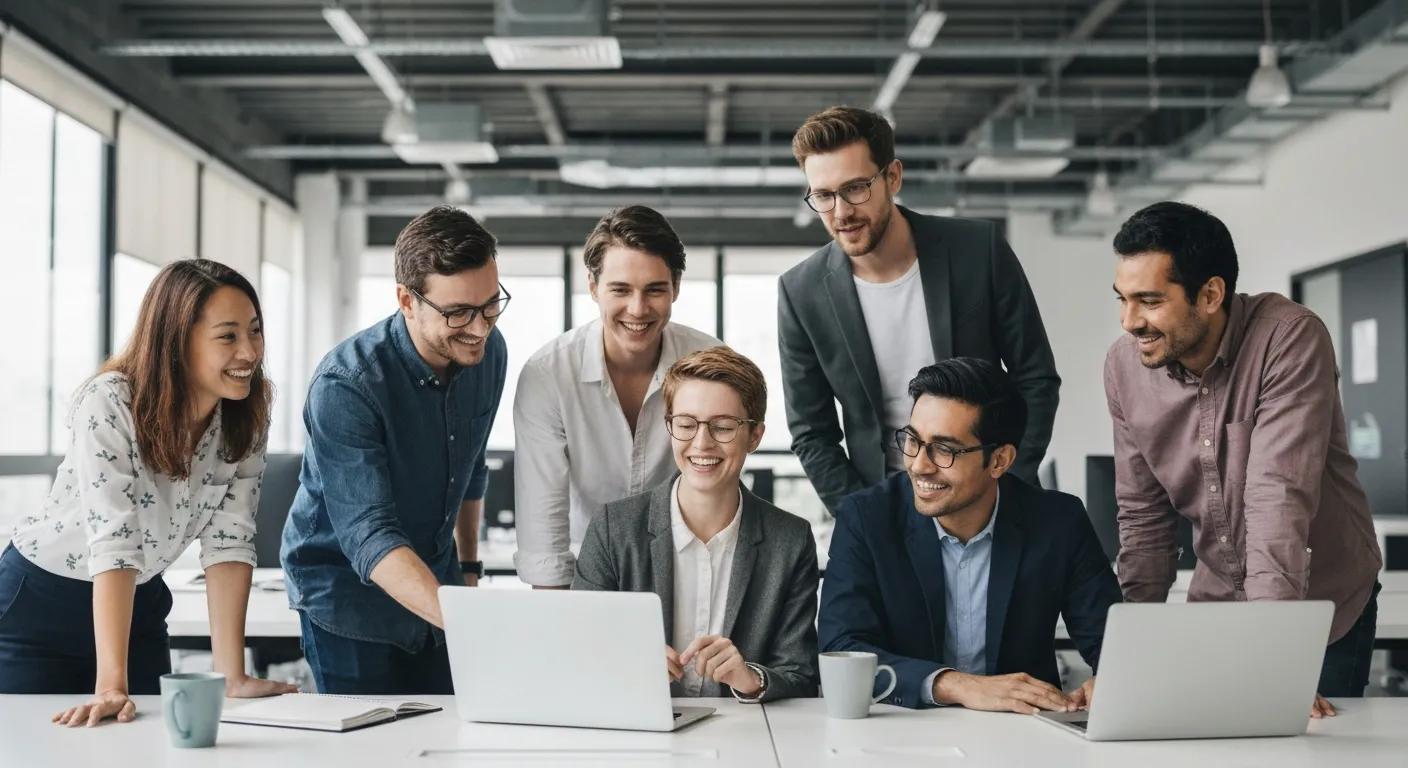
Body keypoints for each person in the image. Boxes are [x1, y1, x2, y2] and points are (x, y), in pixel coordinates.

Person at [1104, 201, 1383, 718]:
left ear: (1210, 294)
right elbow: (1142, 517)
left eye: (1149, 301)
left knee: (1319, 752)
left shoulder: (1288, 336)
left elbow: (1277, 499)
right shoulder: (1124, 368)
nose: (1129, 322)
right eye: (1121, 299)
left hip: (1317, 609)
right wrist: (1126, 656)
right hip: (1217, 608)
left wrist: (1274, 660)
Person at [0, 259, 296, 724]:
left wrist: (231, 673)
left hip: (137, 605)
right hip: (40, 608)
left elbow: (230, 540)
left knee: (146, 747)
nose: (249, 352)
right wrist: (110, 686)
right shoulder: (111, 400)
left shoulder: (247, 412)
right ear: (178, 341)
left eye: (255, 331)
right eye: (228, 336)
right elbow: (115, 543)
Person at [778, 105, 1060, 512]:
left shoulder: (978, 251)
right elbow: (811, 432)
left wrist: (1008, 481)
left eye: (856, 188)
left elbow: (1036, 378)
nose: (840, 212)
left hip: (987, 489)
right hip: (884, 500)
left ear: (892, 176)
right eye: (823, 195)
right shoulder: (800, 291)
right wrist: (860, 515)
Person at [281, 205, 507, 695]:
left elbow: (471, 472)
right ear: (407, 299)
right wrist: (472, 620)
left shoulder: (488, 355)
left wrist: (467, 574)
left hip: (437, 588)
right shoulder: (346, 385)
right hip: (347, 600)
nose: (480, 328)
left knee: (448, 740)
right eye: (458, 312)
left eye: (491, 305)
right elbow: (369, 535)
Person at [818, 358, 1120, 711]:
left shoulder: (1057, 522)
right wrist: (955, 685)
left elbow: (1110, 642)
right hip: (902, 731)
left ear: (999, 461)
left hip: (1021, 736)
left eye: (944, 449)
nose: (918, 464)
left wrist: (1110, 678)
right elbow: (842, 647)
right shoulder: (867, 518)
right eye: (913, 441)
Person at [573, 346, 819, 702]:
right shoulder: (614, 528)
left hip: (746, 740)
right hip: (641, 733)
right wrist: (629, 664)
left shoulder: (790, 540)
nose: (701, 443)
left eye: (722, 427)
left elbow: (801, 674)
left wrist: (750, 678)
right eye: (686, 425)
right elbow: (578, 650)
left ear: (755, 436)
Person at [513, 206, 720, 588]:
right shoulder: (548, 375)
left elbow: (721, 494)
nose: (638, 309)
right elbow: (544, 538)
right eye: (620, 289)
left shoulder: (710, 363)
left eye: (655, 290)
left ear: (676, 286)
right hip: (583, 576)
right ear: (593, 287)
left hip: (689, 573)